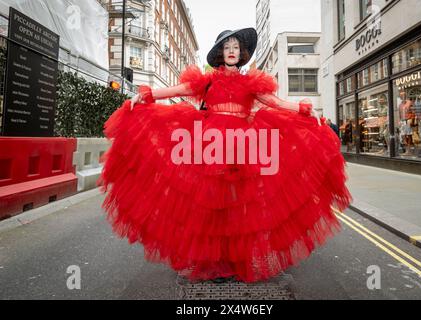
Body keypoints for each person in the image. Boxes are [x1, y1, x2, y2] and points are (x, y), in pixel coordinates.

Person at [98, 28, 352, 283]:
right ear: (221, 53)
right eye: (227, 47)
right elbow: (180, 89)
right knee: (212, 207)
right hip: (211, 147)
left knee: (239, 205)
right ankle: (213, 262)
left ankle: (236, 260)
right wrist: (148, 95)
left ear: (241, 54)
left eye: (236, 48)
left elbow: (274, 102)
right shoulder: (208, 80)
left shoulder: (250, 83)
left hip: (243, 148)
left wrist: (305, 110)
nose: (232, 51)